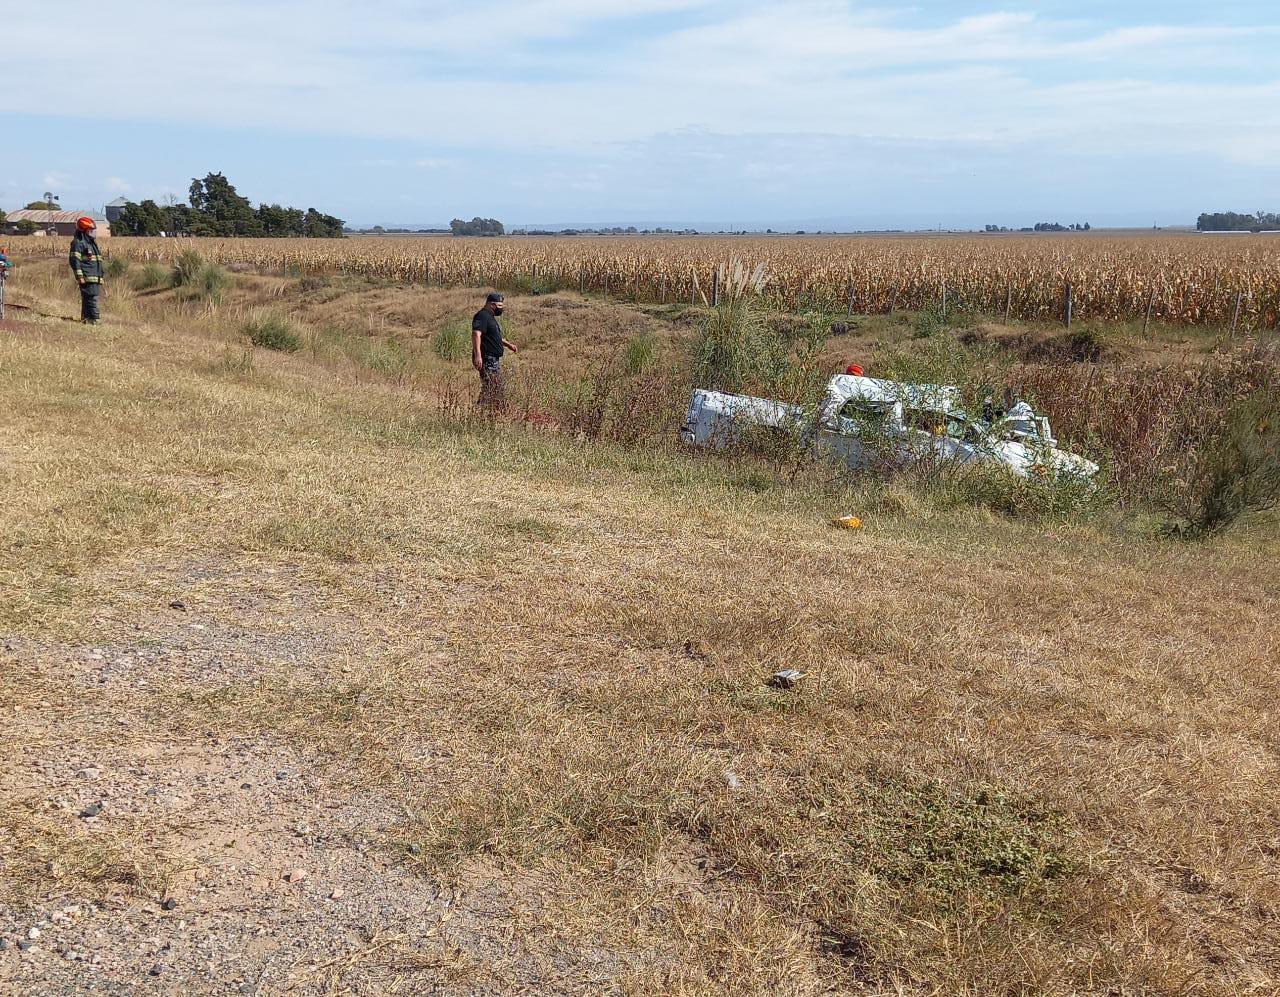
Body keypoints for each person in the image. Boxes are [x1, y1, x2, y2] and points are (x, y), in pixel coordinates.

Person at [471, 292, 518, 410]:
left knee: (493, 386)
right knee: (492, 386)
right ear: (492, 305)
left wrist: (509, 345)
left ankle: (493, 411)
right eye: (499, 305)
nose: (501, 308)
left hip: (493, 358)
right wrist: (478, 355)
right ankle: (482, 411)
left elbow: (494, 337)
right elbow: (476, 334)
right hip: (487, 358)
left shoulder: (490, 317)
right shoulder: (482, 316)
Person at [69, 217, 105, 324]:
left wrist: (100, 276)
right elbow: (74, 261)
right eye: (91, 231)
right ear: (85, 231)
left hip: (94, 277)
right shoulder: (79, 243)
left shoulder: (91, 244)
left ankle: (86, 319)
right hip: (87, 277)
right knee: (92, 298)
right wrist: (80, 276)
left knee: (88, 299)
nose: (94, 233)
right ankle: (95, 320)